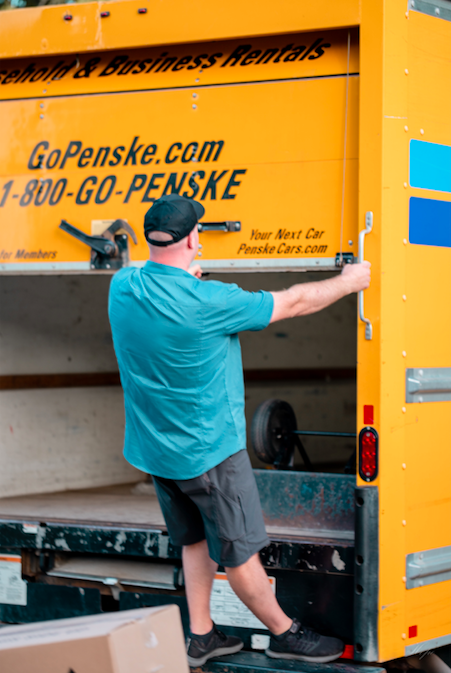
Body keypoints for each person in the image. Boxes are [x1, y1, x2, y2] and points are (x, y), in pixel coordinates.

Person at [108, 194, 371, 668]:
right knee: (239, 551)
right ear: (193, 238)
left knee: (193, 541)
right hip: (210, 454)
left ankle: (202, 634)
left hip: (156, 451)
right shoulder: (211, 301)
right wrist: (350, 281)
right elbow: (293, 302)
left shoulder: (124, 286)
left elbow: (158, 285)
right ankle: (285, 632)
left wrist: (186, 280)